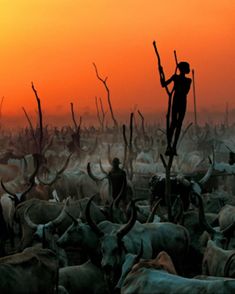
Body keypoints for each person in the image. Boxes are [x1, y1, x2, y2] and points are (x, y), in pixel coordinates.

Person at [161, 61, 192, 156]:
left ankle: (173, 147)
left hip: (182, 103)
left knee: (178, 126)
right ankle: (169, 146)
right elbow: (163, 84)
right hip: (176, 103)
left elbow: (185, 91)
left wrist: (177, 82)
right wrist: (161, 73)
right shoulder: (175, 77)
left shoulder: (188, 80)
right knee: (173, 125)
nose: (182, 71)